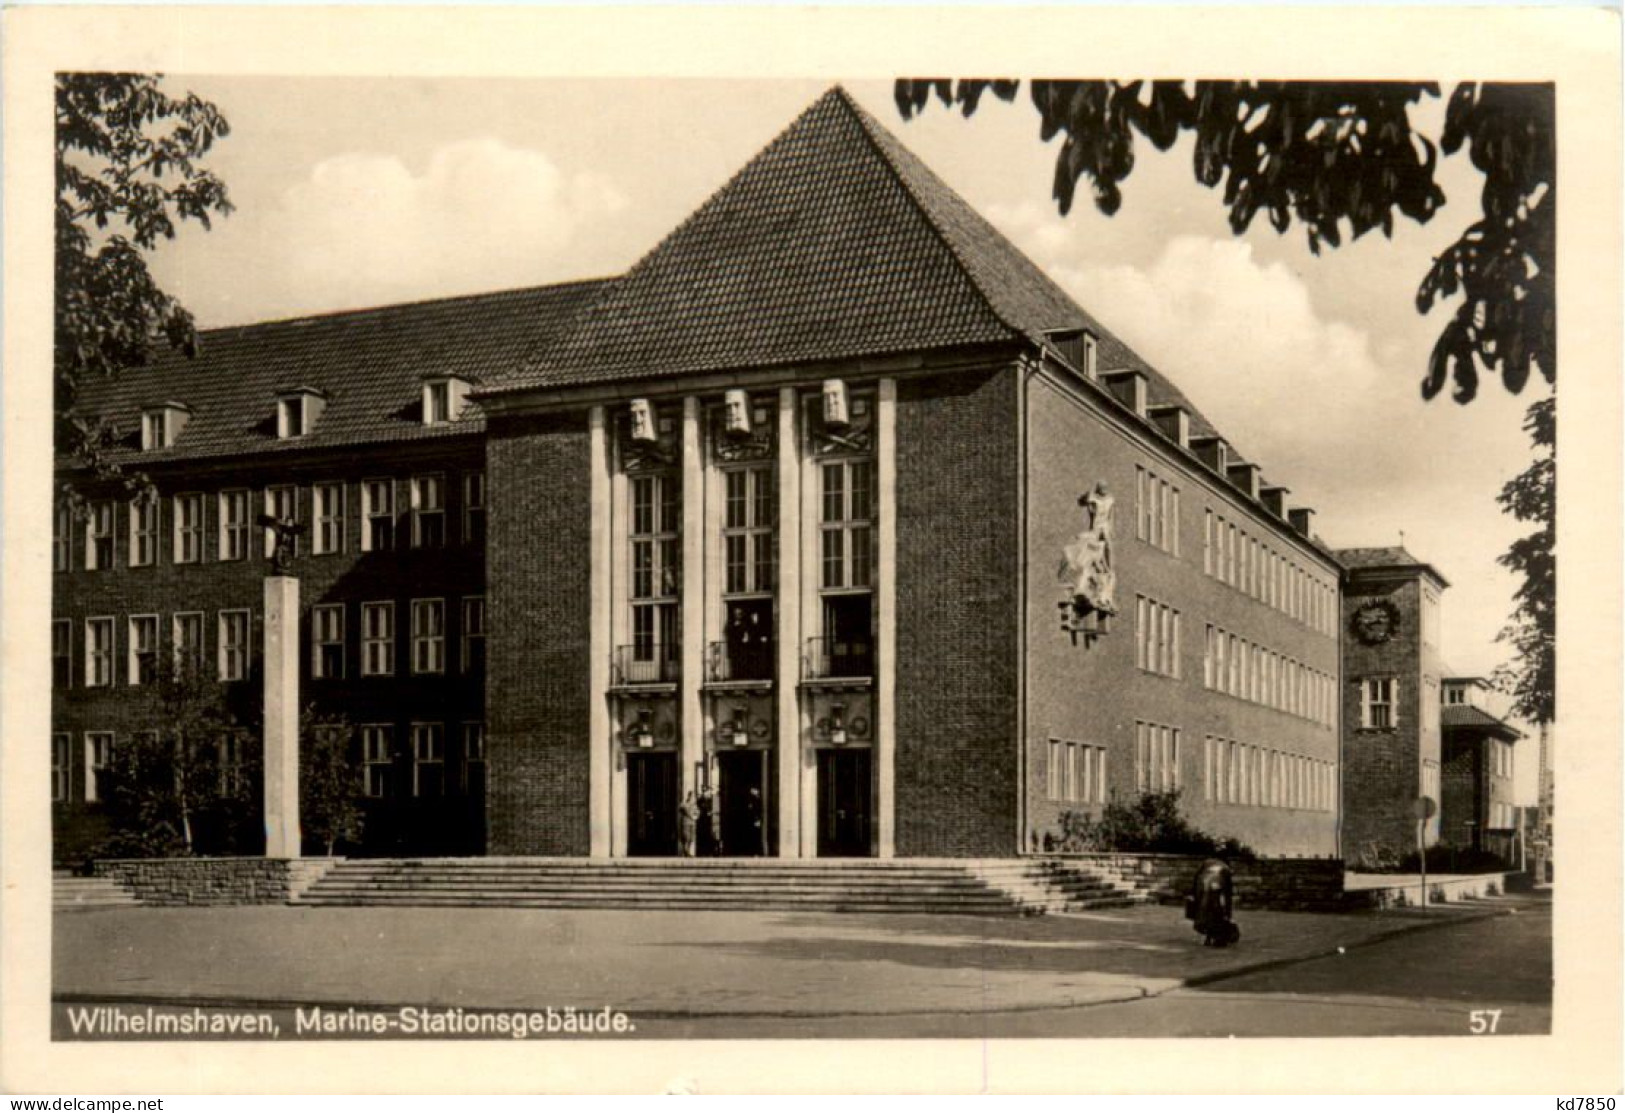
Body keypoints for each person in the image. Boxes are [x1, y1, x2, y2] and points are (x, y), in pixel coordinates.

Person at [1186, 857, 1239, 947]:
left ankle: (1208, 938)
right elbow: (1228, 893)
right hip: (1214, 891)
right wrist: (1228, 914)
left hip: (1202, 887)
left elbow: (1196, 878)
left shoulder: (1207, 863)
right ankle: (1218, 938)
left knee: (1205, 913)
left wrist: (1192, 893)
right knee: (1217, 914)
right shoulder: (1225, 869)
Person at [678, 792, 698, 858]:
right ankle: (686, 852)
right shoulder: (684, 804)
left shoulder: (694, 806)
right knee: (686, 838)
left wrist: (695, 816)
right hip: (686, 823)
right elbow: (680, 808)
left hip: (692, 823)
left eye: (694, 797)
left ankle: (688, 851)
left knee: (691, 838)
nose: (693, 798)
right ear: (689, 797)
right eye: (692, 797)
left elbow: (697, 813)